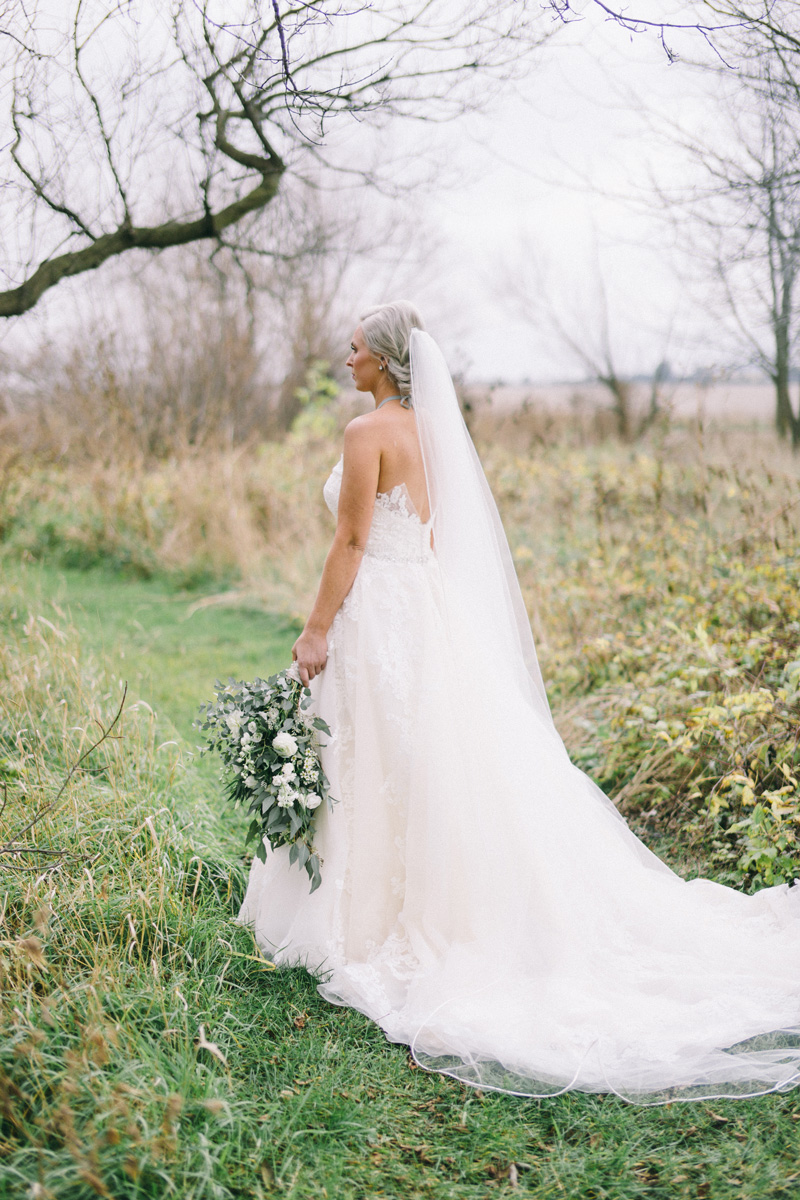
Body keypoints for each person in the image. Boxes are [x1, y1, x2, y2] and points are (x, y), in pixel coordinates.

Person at [238, 301, 800, 1105]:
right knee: (423, 757)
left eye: (356, 348)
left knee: (380, 754)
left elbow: (353, 541)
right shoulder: (432, 433)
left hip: (381, 609)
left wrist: (317, 627)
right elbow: (427, 535)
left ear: (388, 361)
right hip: (423, 609)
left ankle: (373, 919)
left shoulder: (368, 435)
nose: (346, 357)